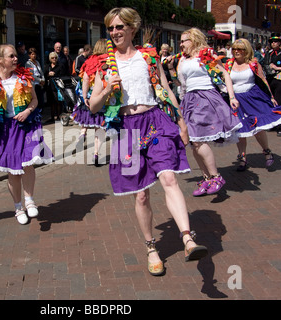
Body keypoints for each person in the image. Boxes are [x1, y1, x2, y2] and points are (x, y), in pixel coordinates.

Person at [89, 7, 208, 276]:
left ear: (132, 29)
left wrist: (181, 123)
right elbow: (93, 106)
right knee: (142, 195)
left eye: (120, 27)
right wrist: (108, 88)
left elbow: (165, 89)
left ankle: (187, 238)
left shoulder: (147, 56)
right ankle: (151, 247)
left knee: (169, 178)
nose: (115, 32)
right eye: (111, 28)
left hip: (155, 121)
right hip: (127, 130)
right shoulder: (105, 65)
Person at [0, 44, 53, 225]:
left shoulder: (24, 76)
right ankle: (18, 207)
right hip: (5, 129)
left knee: (28, 164)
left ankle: (30, 200)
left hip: (25, 125)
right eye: (11, 56)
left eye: (15, 55)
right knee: (13, 171)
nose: (15, 58)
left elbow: (35, 100)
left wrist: (28, 111)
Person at [170, 27, 242, 196]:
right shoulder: (182, 59)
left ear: (194, 40)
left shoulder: (206, 53)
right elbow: (181, 84)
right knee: (193, 143)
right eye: (180, 41)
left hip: (205, 98)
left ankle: (216, 176)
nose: (180, 44)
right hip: (189, 99)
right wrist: (172, 70)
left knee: (198, 140)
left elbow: (224, 74)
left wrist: (232, 97)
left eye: (183, 41)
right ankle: (207, 178)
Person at [226, 39, 281, 171]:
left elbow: (263, 80)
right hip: (236, 101)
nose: (236, 51)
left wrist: (271, 97)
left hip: (253, 98)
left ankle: (267, 151)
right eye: (234, 49)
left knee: (258, 127)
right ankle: (242, 158)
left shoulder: (253, 64)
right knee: (240, 130)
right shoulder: (229, 64)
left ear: (246, 50)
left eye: (240, 49)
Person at [70, 38, 108, 166]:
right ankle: (96, 153)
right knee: (100, 127)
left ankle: (82, 134)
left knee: (85, 118)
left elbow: (85, 79)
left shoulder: (90, 61)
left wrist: (84, 96)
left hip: (90, 95)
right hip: (104, 97)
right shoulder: (109, 61)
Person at [44, 52, 65, 121]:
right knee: (51, 102)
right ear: (50, 59)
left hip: (57, 86)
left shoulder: (60, 66)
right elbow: (44, 75)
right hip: (50, 86)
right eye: (53, 58)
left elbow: (62, 75)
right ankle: (52, 116)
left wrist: (55, 74)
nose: (54, 59)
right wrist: (48, 74)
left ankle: (59, 115)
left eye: (55, 58)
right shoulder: (48, 66)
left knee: (58, 101)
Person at [25, 47, 45, 112]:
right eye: (32, 54)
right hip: (34, 83)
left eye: (35, 54)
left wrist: (43, 79)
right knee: (35, 99)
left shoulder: (37, 62)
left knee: (41, 100)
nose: (34, 56)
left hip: (40, 83)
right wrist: (40, 80)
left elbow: (41, 72)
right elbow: (31, 75)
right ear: (29, 55)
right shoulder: (28, 63)